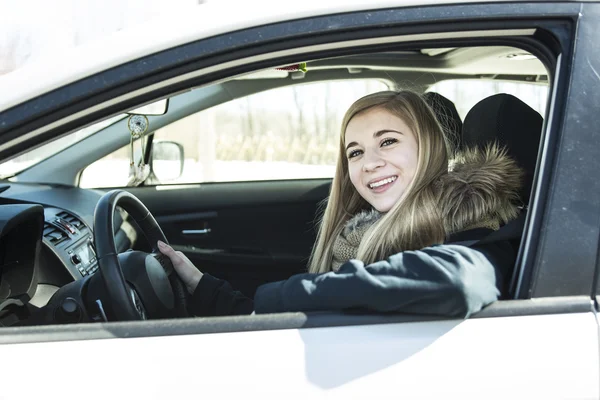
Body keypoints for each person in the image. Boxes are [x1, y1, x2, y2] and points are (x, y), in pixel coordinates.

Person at [157, 90, 523, 318]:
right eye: (356, 151)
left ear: (428, 147)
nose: (370, 162)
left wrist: (274, 298)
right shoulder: (360, 234)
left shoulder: (474, 226)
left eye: (389, 141)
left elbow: (460, 281)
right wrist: (202, 286)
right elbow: (290, 320)